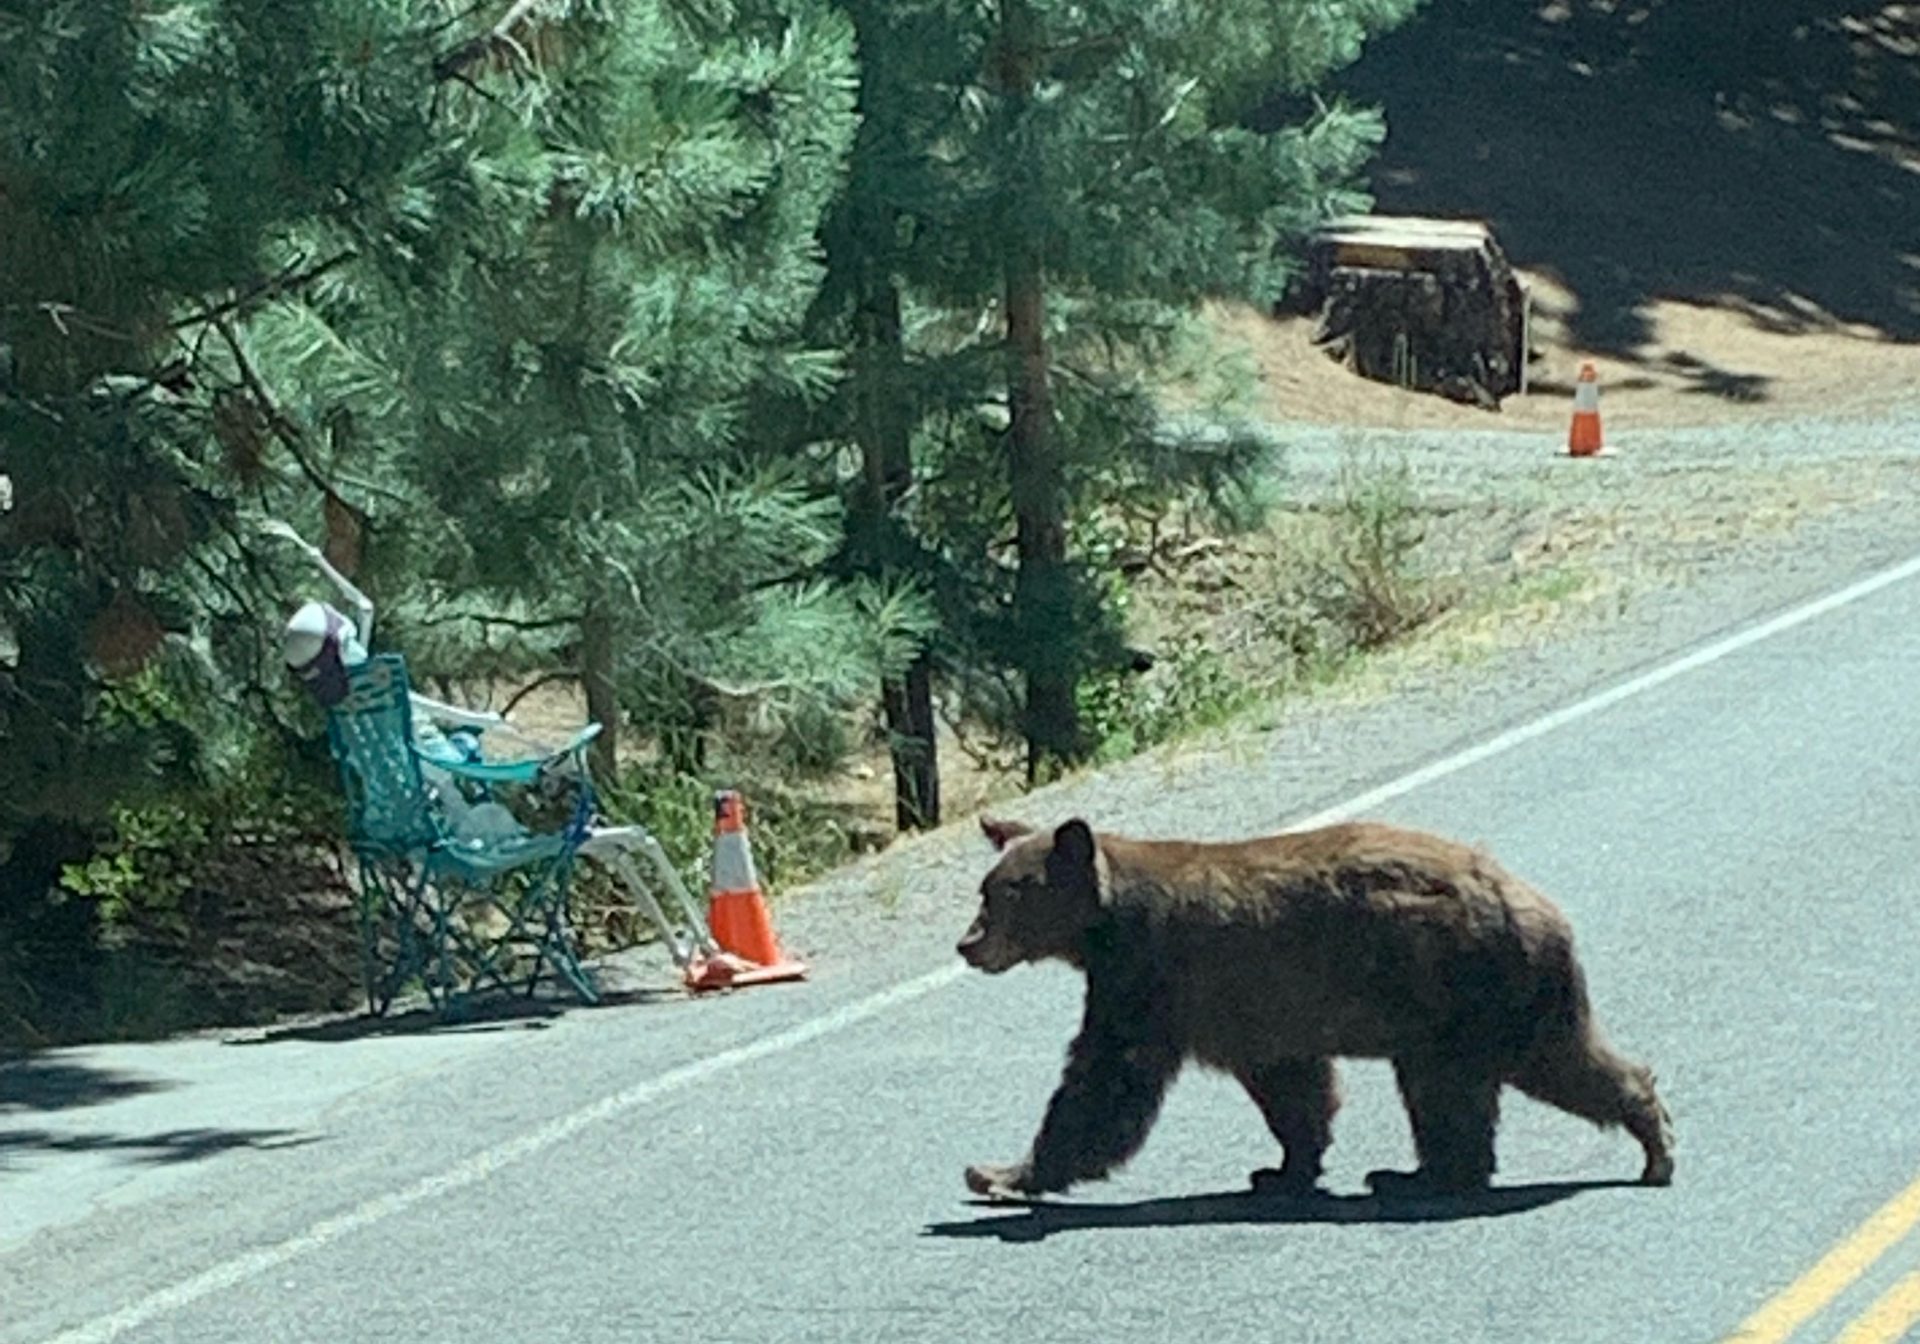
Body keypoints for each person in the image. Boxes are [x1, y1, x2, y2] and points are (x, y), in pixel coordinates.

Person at [266, 520, 741, 986]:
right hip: (468, 837)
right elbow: (446, 725)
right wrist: (504, 738)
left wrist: (311, 553)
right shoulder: (393, 697)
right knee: (635, 842)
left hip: (405, 837)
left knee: (608, 842)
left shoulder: (353, 717)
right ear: (344, 643)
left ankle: (689, 950)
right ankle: (703, 951)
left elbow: (364, 610)